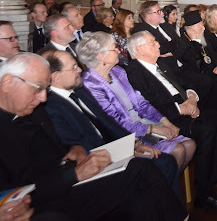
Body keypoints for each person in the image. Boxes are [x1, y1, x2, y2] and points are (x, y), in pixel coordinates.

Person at [0, 52, 189, 220]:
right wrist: (74, 175)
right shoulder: (37, 110)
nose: (43, 97)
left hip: (65, 181)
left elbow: (58, 149)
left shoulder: (34, 112)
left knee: (144, 201)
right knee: (140, 170)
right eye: (38, 88)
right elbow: (19, 186)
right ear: (8, 82)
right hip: (49, 197)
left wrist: (75, 149)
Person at [41, 48, 185, 196]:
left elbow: (108, 122)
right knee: (159, 165)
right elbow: (76, 145)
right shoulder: (51, 107)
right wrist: (124, 150)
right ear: (56, 77)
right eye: (73, 68)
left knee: (166, 162)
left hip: (116, 147)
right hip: (96, 159)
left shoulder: (80, 91)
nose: (79, 69)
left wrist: (134, 144)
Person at [126, 31, 217, 210]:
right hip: (166, 119)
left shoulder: (160, 63)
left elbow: (183, 81)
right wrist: (180, 109)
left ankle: (213, 172)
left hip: (184, 106)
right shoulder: (134, 73)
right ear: (140, 49)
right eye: (153, 42)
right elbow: (148, 106)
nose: (158, 45)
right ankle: (204, 193)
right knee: (207, 128)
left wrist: (192, 97)